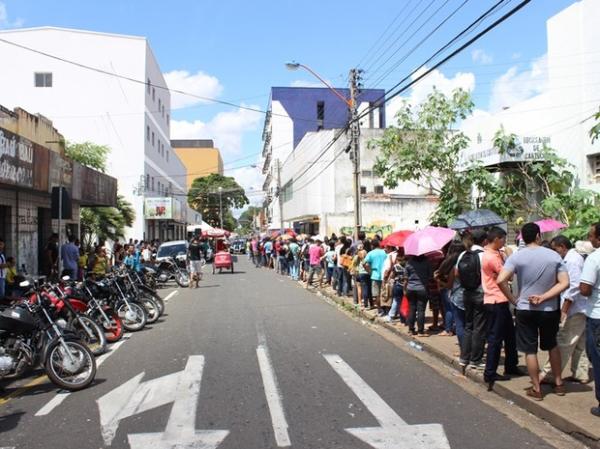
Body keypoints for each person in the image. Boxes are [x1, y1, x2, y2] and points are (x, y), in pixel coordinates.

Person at [497, 222, 569, 401]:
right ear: (538, 236)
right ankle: (559, 383)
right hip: (549, 308)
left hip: (525, 308)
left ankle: (536, 388)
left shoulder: (517, 257)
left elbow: (500, 280)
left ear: (523, 237)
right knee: (552, 345)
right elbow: (564, 282)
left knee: (530, 350)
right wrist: (544, 297)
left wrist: (513, 299)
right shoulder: (553, 256)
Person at [539, 235, 589, 385]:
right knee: (580, 344)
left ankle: (550, 373)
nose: (554, 252)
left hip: (575, 308)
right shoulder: (572, 258)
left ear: (562, 247)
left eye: (555, 249)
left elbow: (573, 287)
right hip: (581, 308)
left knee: (564, 341)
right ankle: (580, 373)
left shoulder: (572, 261)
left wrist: (564, 310)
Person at [480, 227, 520, 389]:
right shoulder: (492, 257)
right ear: (496, 239)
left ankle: (511, 365)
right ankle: (490, 372)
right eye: (503, 239)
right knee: (496, 339)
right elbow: (507, 276)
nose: (504, 243)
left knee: (510, 335)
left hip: (497, 300)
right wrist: (510, 258)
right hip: (496, 300)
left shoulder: (492, 254)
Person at [456, 229, 487, 370]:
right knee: (479, 327)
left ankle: (464, 358)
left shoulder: (464, 254)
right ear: (485, 241)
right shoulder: (484, 255)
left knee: (468, 326)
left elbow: (457, 273)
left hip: (466, 293)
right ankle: (476, 359)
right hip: (480, 293)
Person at [578, 223, 600, 417]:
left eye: (592, 236)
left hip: (597, 316)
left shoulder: (594, 258)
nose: (590, 239)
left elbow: (584, 288)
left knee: (597, 359)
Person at [438, 241, 468, 346]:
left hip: (452, 292)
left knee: (452, 313)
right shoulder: (466, 261)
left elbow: (446, 282)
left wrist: (439, 281)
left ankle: (449, 330)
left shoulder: (449, 262)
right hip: (468, 293)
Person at [405, 254, 432, 336]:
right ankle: (420, 331)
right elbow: (430, 276)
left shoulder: (409, 263)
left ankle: (411, 329)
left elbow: (405, 277)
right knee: (421, 310)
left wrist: (404, 288)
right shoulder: (427, 262)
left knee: (412, 309)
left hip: (410, 288)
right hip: (422, 288)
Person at [364, 240, 388, 316]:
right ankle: (385, 309)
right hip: (385, 275)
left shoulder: (370, 253)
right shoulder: (384, 252)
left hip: (375, 275)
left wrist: (368, 271)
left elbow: (364, 263)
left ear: (372, 246)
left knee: (376, 294)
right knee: (384, 293)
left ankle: (379, 309)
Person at [383, 247, 406, 323]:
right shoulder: (408, 266)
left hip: (398, 285)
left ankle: (391, 315)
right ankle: (403, 317)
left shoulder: (396, 267)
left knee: (396, 301)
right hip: (405, 286)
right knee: (404, 301)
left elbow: (392, 276)